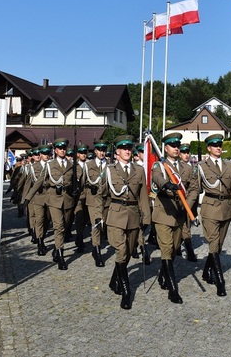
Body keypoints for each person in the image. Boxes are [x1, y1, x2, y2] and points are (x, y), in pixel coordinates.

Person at [96, 135, 151, 310]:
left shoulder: (139, 170)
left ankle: (114, 281)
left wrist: (147, 217)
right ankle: (127, 293)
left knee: (127, 254)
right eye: (124, 148)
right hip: (116, 215)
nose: (128, 151)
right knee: (121, 250)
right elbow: (101, 195)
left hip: (134, 216)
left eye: (130, 148)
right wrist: (99, 216)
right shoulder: (109, 170)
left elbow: (143, 197)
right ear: (117, 152)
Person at [151, 132, 199, 304]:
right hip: (164, 212)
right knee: (166, 248)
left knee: (174, 249)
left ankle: (163, 275)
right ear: (166, 148)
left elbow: (194, 188)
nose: (177, 148)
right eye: (173, 145)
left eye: (178, 145)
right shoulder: (160, 166)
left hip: (180, 215)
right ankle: (173, 290)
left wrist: (188, 202)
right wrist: (166, 184)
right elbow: (156, 177)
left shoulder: (187, 168)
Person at [25, 138, 83, 270]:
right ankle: (61, 256)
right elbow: (39, 182)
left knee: (66, 225)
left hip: (68, 200)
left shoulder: (71, 165)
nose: (63, 150)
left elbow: (79, 180)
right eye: (60, 148)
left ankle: (56, 249)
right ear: (55, 150)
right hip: (54, 200)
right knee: (59, 226)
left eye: (64, 148)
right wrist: (28, 197)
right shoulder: (49, 165)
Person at [197, 134, 231, 297]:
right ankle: (220, 282)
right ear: (209, 148)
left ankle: (206, 272)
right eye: (214, 145)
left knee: (218, 245)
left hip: (226, 209)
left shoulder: (229, 166)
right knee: (213, 244)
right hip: (210, 209)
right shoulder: (202, 166)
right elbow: (195, 189)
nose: (218, 148)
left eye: (219, 145)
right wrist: (190, 211)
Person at [80, 140, 109, 266]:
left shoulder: (110, 165)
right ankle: (96, 250)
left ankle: (97, 244)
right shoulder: (88, 165)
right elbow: (82, 182)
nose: (102, 153)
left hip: (106, 199)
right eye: (99, 150)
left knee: (104, 224)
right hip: (92, 200)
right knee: (96, 224)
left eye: (104, 150)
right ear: (95, 151)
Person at [178, 143, 198, 262]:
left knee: (186, 227)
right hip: (177, 203)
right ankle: (189, 251)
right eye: (183, 153)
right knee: (183, 228)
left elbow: (194, 188)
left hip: (188, 203)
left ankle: (185, 250)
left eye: (187, 153)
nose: (186, 155)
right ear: (179, 154)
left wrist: (189, 204)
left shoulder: (192, 168)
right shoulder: (175, 167)